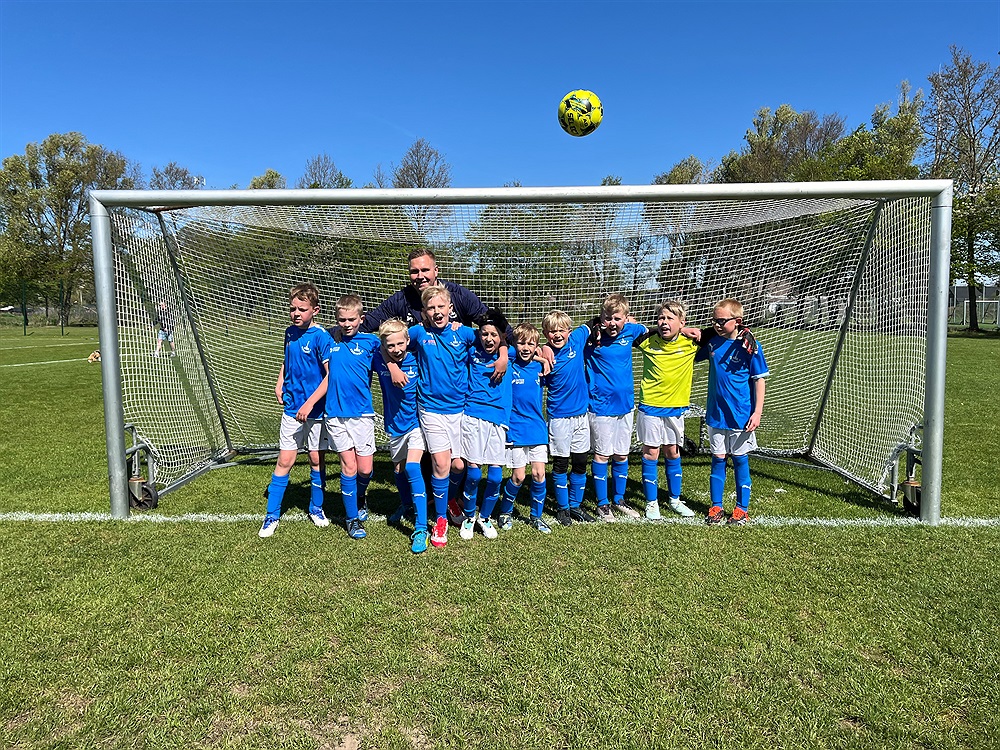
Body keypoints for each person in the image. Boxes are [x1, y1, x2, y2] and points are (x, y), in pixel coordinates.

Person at [407, 285, 479, 548]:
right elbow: (389, 341)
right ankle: (440, 520)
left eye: (441, 307)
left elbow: (495, 339)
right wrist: (391, 365)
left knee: (459, 466)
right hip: (430, 409)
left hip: (459, 410)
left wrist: (505, 355)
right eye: (431, 308)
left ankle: (448, 499)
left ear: (450, 308)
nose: (437, 312)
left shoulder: (464, 333)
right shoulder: (418, 333)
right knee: (441, 464)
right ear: (424, 312)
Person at [259, 283, 331, 538]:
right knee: (285, 460)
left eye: (302, 309)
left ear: (315, 310)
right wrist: (280, 381)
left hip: (316, 411)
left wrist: (310, 403)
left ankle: (317, 508)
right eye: (292, 309)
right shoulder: (289, 332)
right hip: (292, 408)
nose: (296, 313)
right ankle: (271, 516)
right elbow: (286, 360)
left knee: (316, 459)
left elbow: (330, 376)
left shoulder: (321, 337)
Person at [696, 298, 769, 526]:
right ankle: (716, 506)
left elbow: (759, 380)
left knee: (739, 460)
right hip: (716, 413)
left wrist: (757, 412)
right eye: (714, 321)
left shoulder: (750, 346)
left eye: (722, 321)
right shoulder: (712, 343)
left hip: (741, 414)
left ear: (737, 321)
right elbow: (691, 345)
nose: (717, 325)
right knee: (718, 459)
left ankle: (741, 509)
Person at [584, 293, 648, 522]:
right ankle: (602, 504)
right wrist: (593, 324)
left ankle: (619, 499)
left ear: (626, 319)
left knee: (621, 454)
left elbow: (645, 328)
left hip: (626, 406)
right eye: (607, 318)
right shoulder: (591, 338)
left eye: (617, 319)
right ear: (601, 318)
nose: (612, 323)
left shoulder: (631, 331)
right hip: (600, 406)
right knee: (602, 455)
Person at [635, 300, 700, 520]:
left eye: (670, 318)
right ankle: (651, 502)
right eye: (661, 318)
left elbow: (719, 332)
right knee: (650, 452)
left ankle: (674, 500)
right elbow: (627, 326)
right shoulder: (646, 341)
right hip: (650, 406)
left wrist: (686, 331)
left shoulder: (692, 344)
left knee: (672, 452)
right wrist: (654, 329)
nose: (664, 322)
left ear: (682, 322)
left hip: (675, 409)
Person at [323, 294, 381, 540]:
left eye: (351, 320)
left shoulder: (371, 342)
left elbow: (390, 358)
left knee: (365, 469)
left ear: (361, 318)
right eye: (341, 320)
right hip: (335, 414)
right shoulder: (329, 339)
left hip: (362, 414)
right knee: (349, 467)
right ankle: (352, 519)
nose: (346, 324)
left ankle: (360, 496)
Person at [372, 319, 429, 554]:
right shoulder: (379, 358)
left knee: (412, 467)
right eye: (391, 346)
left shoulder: (418, 357)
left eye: (400, 344)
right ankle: (406, 505)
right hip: (395, 425)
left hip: (418, 423)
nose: (396, 349)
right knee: (398, 470)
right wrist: (391, 365)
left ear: (408, 341)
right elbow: (374, 347)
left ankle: (421, 529)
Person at [458, 312, 513, 541]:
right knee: (473, 473)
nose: (488, 339)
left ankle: (486, 517)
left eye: (494, 334)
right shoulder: (472, 349)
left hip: (499, 419)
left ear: (502, 336)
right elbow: (461, 334)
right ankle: (469, 516)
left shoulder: (510, 354)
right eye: (484, 334)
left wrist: (504, 353)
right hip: (473, 415)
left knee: (495, 477)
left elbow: (527, 349)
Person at [540, 310, 595, 526]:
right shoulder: (544, 358)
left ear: (569, 331)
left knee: (580, 462)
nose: (557, 335)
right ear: (545, 333)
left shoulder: (577, 340)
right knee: (561, 464)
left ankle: (576, 505)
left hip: (581, 415)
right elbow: (520, 351)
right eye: (552, 331)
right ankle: (563, 508)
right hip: (559, 418)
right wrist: (540, 350)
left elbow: (594, 321)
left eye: (561, 330)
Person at [498, 323, 551, 534]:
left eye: (531, 344)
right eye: (521, 343)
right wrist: (539, 356)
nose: (526, 348)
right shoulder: (510, 365)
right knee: (518, 477)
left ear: (536, 345)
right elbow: (506, 351)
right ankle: (505, 512)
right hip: (516, 429)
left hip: (537, 428)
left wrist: (543, 359)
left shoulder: (540, 369)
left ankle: (536, 516)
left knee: (539, 474)